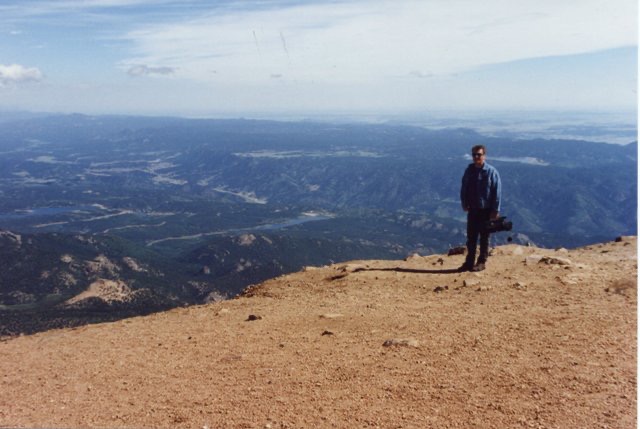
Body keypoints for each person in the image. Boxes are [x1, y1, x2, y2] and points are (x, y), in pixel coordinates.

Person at [459, 144, 502, 272]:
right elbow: (464, 188)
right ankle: (469, 262)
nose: (476, 157)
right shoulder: (469, 171)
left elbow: (497, 192)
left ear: (484, 156)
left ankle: (482, 262)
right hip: (473, 209)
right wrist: (464, 202)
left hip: (486, 210)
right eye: (474, 155)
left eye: (479, 154)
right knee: (471, 237)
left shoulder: (491, 172)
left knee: (484, 237)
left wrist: (495, 210)